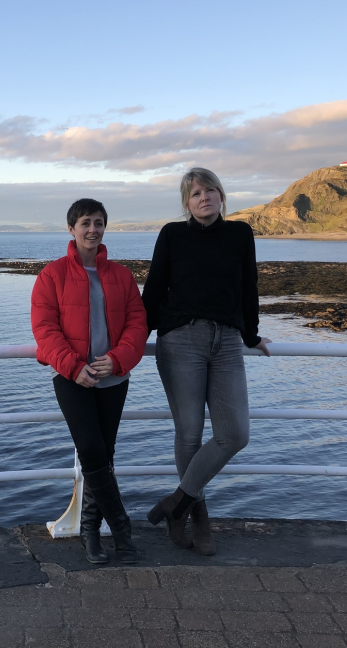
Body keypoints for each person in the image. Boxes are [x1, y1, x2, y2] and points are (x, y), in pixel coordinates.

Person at [142, 168, 271, 555]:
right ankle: (198, 517)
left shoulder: (240, 233)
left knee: (235, 434)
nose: (204, 197)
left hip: (229, 341)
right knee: (190, 433)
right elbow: (153, 290)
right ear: (187, 202)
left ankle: (176, 504)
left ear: (221, 195)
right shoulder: (172, 234)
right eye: (195, 193)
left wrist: (251, 335)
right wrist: (132, 340)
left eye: (210, 190)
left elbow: (249, 286)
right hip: (182, 340)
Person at [31, 198, 148, 564]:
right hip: (71, 380)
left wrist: (116, 361)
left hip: (113, 380)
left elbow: (137, 325)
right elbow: (45, 329)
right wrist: (72, 366)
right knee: (93, 452)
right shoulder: (52, 275)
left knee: (104, 456)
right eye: (85, 223)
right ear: (71, 229)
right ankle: (122, 531)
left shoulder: (121, 276)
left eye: (98, 222)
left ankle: (91, 532)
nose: (92, 229)